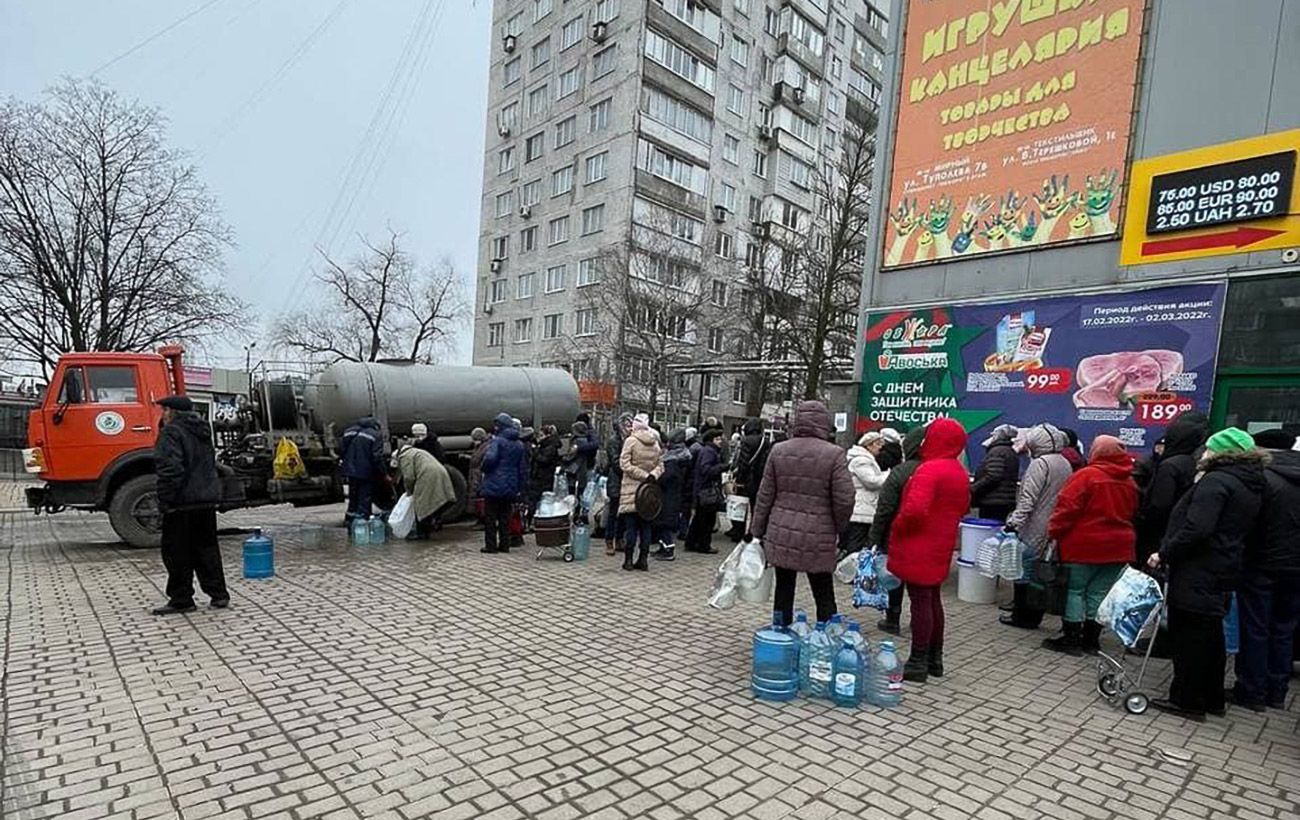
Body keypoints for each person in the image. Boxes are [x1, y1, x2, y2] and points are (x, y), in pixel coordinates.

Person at [1149, 428, 1266, 720]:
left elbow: (1198, 527)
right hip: (1222, 565)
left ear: (1222, 452)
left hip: (1199, 567)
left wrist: (1165, 552)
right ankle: (1211, 697)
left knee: (1190, 635)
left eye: (1209, 449)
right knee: (1211, 634)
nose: (1203, 453)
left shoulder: (1217, 482)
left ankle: (1187, 699)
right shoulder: (1249, 483)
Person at [747, 401, 855, 628]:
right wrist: (838, 526)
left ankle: (780, 636)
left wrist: (757, 531)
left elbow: (765, 495)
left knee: (783, 588)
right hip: (819, 534)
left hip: (781, 532)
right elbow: (844, 499)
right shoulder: (834, 454)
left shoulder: (779, 450)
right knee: (823, 590)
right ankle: (826, 639)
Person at [887, 417, 970, 682]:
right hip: (940, 544)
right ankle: (935, 658)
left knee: (920, 602)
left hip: (918, 543)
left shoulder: (929, 470)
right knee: (933, 600)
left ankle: (918, 660)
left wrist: (897, 527)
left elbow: (914, 509)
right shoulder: (958, 472)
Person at [1042, 435, 1138, 655]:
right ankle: (1091, 641)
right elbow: (1133, 512)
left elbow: (1066, 509)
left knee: (1075, 591)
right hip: (1119, 547)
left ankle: (1071, 639)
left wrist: (1054, 532)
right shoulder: (1130, 481)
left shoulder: (1086, 476)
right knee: (1099, 593)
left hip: (1084, 545)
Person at [1232, 428, 1299, 712]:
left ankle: (1252, 691)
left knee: (1255, 627)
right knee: (1284, 629)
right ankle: (1277, 692)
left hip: (1261, 564)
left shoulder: (1263, 479)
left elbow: (1246, 522)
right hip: (1296, 568)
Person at [150, 395, 229, 615]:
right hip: (204, 500)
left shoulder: (171, 433)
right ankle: (219, 594)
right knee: (207, 548)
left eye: (164, 410)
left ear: (172, 412)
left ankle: (181, 598)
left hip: (181, 502)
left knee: (176, 552)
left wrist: (165, 501)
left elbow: (170, 470)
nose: (162, 415)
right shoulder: (202, 430)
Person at [1001, 424, 1074, 630]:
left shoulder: (1039, 464)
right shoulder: (1065, 463)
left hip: (1033, 526)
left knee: (1023, 572)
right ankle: (1035, 614)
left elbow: (1028, 500)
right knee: (1039, 574)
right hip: (1052, 525)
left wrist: (1014, 522)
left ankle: (1022, 616)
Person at [869, 425, 928, 635]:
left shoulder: (900, 472)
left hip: (897, 534)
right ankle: (919, 620)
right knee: (920, 582)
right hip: (925, 537)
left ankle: (892, 618)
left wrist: (874, 537)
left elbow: (884, 508)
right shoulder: (934, 470)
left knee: (895, 577)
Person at [1136, 411, 1210, 565]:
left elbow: (1159, 504)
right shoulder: (1195, 463)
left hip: (1159, 536)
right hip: (1181, 535)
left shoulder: (1170, 466)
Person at [618, 413, 663, 571]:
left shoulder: (631, 441)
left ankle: (628, 560)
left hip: (632, 488)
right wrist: (652, 476)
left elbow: (624, 464)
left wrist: (642, 476)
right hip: (649, 491)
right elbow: (661, 465)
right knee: (645, 526)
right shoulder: (655, 443)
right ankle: (643, 560)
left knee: (631, 526)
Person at [842, 429, 897, 556]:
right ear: (869, 445)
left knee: (858, 544)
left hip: (865, 508)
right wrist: (890, 475)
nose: (880, 448)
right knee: (856, 546)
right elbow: (872, 481)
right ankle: (852, 571)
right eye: (878, 444)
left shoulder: (865, 459)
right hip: (861, 510)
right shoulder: (861, 460)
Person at [479, 413, 528, 554]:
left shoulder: (497, 441)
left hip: (494, 482)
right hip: (510, 484)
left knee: (490, 516)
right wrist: (519, 486)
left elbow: (490, 459)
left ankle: (491, 546)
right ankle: (505, 544)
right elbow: (522, 468)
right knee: (505, 516)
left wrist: (484, 469)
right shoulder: (519, 444)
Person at [393, 444, 457, 540]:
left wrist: (409, 492)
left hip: (427, 476)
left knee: (421, 505)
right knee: (436, 501)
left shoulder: (404, 456)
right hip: (440, 472)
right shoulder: (416, 451)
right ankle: (432, 523)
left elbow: (409, 477)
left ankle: (422, 534)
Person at [652, 429, 693, 561]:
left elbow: (666, 477)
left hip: (669, 496)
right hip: (675, 495)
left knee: (664, 523)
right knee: (665, 522)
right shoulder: (684, 456)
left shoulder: (673, 460)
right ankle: (663, 547)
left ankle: (668, 549)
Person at [686, 429, 727, 554]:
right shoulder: (710, 452)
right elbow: (706, 470)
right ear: (712, 440)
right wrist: (722, 467)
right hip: (707, 491)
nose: (720, 441)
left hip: (702, 490)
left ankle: (692, 542)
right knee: (707, 520)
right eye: (718, 439)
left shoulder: (707, 450)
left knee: (699, 519)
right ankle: (704, 545)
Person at [969, 424, 1020, 522]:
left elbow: (993, 475)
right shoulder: (1009, 451)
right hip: (1003, 500)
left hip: (992, 501)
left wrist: (973, 488)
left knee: (988, 531)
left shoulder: (997, 451)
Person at [340, 416, 385, 524]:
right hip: (366, 471)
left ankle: (349, 519)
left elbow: (342, 450)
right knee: (365, 497)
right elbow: (376, 457)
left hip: (350, 470)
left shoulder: (348, 432)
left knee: (353, 496)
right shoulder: (375, 435)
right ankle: (362, 521)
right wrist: (383, 473)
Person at [603, 412, 633, 555]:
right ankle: (609, 540)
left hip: (626, 482)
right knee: (613, 513)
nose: (629, 428)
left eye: (631, 425)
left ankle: (620, 538)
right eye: (627, 425)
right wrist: (628, 470)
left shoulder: (630, 441)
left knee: (623, 513)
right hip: (616, 481)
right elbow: (615, 462)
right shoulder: (614, 441)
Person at [528, 425, 561, 526]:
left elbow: (544, 460)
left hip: (543, 477)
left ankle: (535, 521)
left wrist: (535, 451)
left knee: (537, 500)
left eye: (541, 435)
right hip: (542, 477)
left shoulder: (549, 447)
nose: (539, 437)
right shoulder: (547, 446)